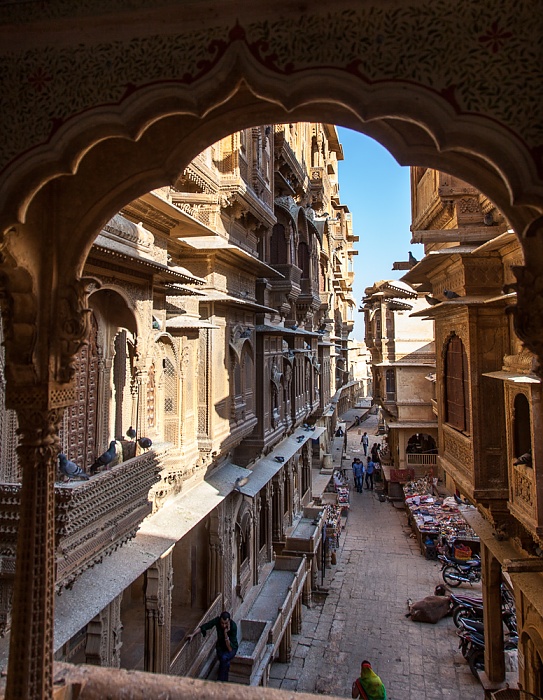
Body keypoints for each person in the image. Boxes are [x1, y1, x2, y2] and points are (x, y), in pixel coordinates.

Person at [188, 610, 238, 681]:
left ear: (229, 621)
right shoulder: (217, 621)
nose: (224, 625)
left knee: (224, 658)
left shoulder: (233, 626)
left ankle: (220, 682)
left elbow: (230, 649)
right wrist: (193, 634)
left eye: (226, 623)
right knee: (225, 664)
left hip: (231, 649)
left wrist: (225, 633)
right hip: (220, 648)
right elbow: (206, 626)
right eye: (222, 623)